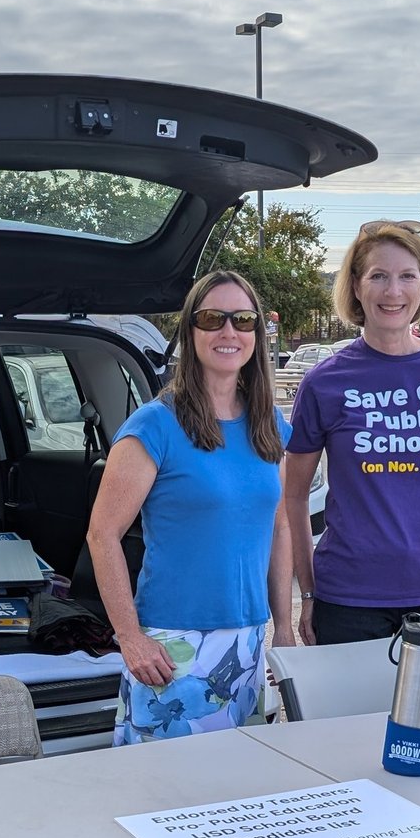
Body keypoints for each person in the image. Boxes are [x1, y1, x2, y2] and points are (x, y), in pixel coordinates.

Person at [280, 220, 420, 679]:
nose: (393, 291)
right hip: (348, 604)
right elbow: (294, 495)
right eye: (378, 275)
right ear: (356, 287)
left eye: (406, 276)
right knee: (350, 727)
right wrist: (308, 593)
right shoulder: (324, 382)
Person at [86, 271, 294, 746]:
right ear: (190, 331)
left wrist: (283, 629)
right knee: (165, 785)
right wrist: (130, 638)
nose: (229, 331)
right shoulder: (155, 426)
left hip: (247, 644)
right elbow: (102, 535)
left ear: (258, 333)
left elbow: (280, 526)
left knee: (238, 782)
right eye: (212, 318)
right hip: (171, 648)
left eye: (243, 319)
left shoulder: (268, 423)